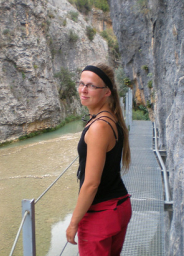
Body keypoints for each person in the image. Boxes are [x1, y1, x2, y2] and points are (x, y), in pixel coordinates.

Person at [65, 63, 132, 255]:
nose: (84, 89)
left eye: (92, 86)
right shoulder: (111, 118)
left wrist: (73, 223)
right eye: (82, 83)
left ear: (107, 92)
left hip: (101, 215)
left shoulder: (98, 127)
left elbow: (91, 183)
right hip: (118, 207)